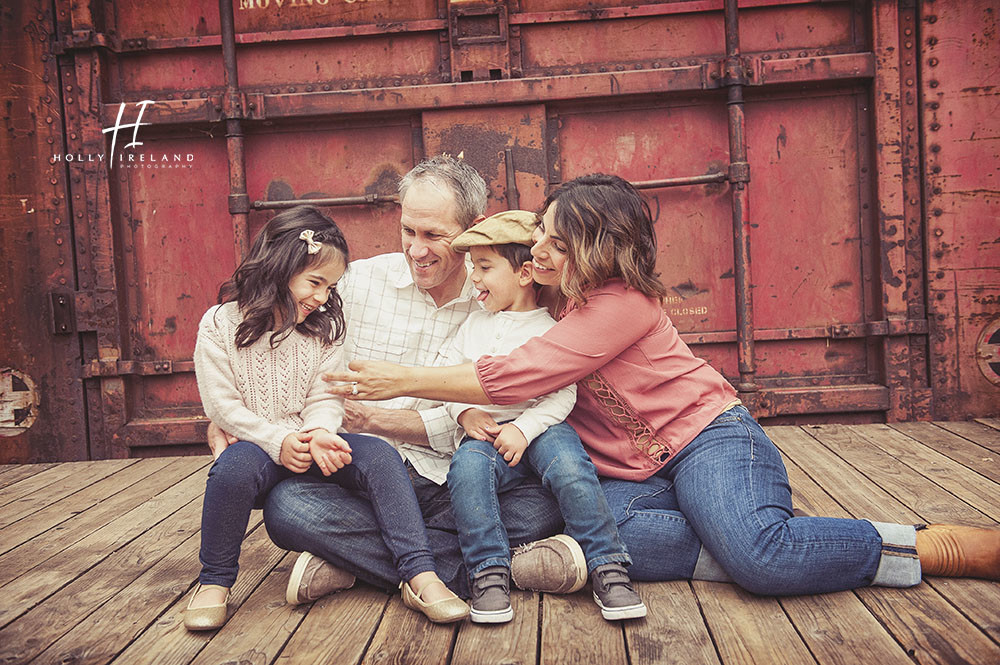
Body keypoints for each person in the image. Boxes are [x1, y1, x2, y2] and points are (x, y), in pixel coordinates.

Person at [329, 174, 1000, 597]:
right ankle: (732, 538)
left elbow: (520, 374)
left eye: (554, 240)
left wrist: (401, 381)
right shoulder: (545, 301)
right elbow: (501, 269)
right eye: (539, 239)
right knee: (595, 525)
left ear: (593, 246)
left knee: (761, 559)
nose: (539, 250)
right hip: (633, 475)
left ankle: (926, 544)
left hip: (709, 441)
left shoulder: (620, 304)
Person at [214, 156, 586, 611]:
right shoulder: (354, 284)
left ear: (473, 228)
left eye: (434, 235)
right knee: (289, 509)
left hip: (457, 480)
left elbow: (506, 413)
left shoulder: (501, 290)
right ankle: (480, 565)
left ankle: (355, 563)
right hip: (364, 481)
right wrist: (227, 416)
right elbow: (264, 337)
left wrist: (383, 419)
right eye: (409, 231)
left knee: (544, 505)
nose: (417, 249)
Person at [188, 206, 468, 631]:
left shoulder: (323, 327)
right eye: (315, 283)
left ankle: (420, 574)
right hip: (258, 445)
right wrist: (277, 441)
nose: (322, 297)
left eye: (330, 286)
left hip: (314, 439)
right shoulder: (220, 324)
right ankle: (214, 581)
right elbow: (223, 407)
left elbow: (326, 394)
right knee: (231, 469)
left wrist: (319, 432)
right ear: (280, 268)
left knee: (376, 455)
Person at [442, 210, 645, 623]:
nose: (474, 278)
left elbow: (561, 394)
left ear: (523, 274)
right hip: (487, 433)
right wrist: (464, 413)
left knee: (571, 467)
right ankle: (488, 573)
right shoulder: (471, 327)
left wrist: (524, 427)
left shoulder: (550, 327)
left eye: (484, 267)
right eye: (472, 268)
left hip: (542, 428)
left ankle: (608, 567)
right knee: (466, 469)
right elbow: (445, 377)